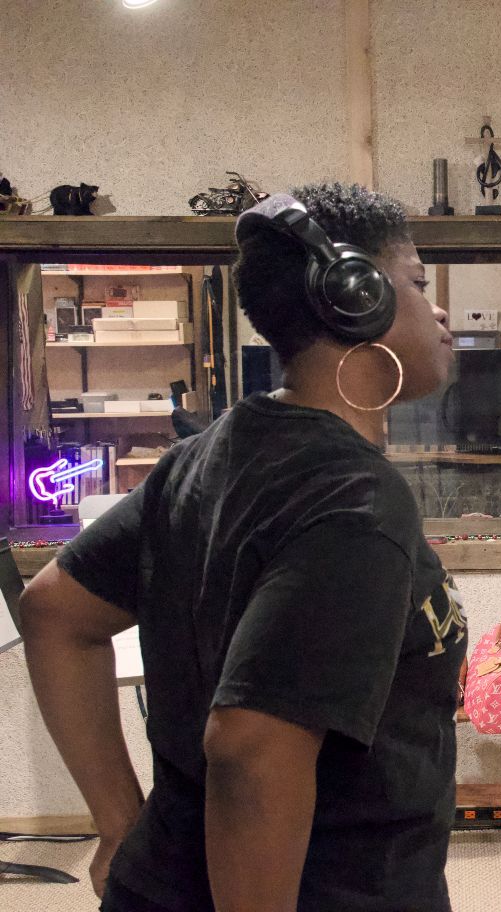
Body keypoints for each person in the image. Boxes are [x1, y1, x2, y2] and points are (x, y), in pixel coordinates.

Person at [21, 182, 468, 912]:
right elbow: (249, 750)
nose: (438, 310)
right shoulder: (353, 499)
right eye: (417, 283)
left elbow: (52, 612)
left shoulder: (209, 452)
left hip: (161, 880)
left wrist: (119, 826)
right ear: (358, 296)